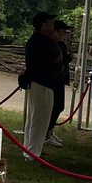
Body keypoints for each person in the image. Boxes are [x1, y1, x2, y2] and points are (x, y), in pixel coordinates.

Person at [21, 10, 60, 160]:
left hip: (40, 83)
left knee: (35, 120)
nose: (53, 25)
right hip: (42, 83)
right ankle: (32, 153)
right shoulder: (41, 41)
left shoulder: (38, 40)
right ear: (43, 25)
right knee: (39, 120)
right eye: (50, 22)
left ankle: (30, 150)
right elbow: (57, 59)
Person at [46, 20, 72, 147]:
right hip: (53, 79)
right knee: (53, 106)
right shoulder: (51, 43)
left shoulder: (61, 44)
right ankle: (47, 132)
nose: (64, 33)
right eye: (62, 30)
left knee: (59, 106)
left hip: (60, 78)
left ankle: (50, 131)